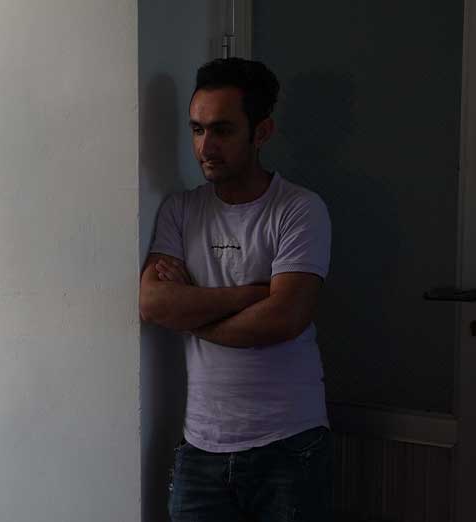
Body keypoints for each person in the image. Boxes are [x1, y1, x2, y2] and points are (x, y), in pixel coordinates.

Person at [140, 58, 334, 521]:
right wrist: (251, 295)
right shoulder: (180, 210)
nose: (205, 146)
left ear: (261, 132)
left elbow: (284, 319)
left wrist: (190, 316)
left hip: (288, 446)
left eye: (222, 130)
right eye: (197, 129)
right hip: (200, 447)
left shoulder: (299, 209)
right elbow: (152, 303)